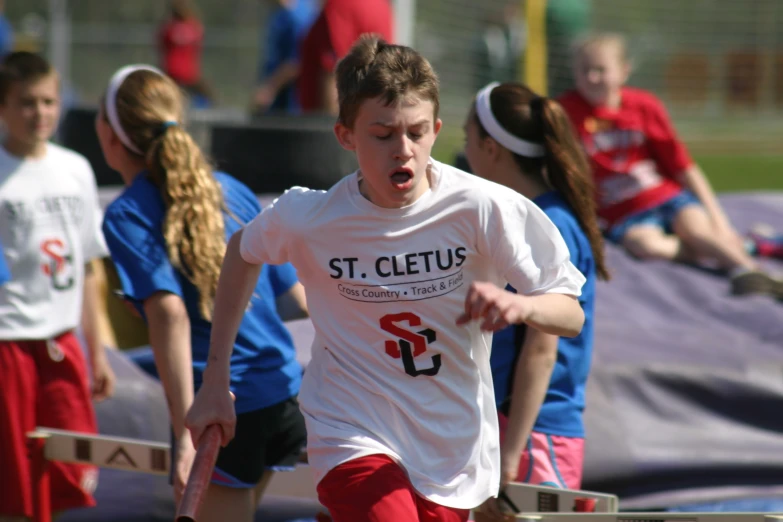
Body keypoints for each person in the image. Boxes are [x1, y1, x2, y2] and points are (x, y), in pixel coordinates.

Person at [186, 35, 586, 522]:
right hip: (350, 429)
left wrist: (524, 307)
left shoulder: (483, 207)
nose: (403, 150)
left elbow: (570, 314)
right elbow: (241, 252)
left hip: (451, 445)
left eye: (417, 133)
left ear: (437, 129)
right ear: (345, 135)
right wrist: (214, 379)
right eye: (383, 134)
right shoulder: (310, 216)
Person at [95, 64, 309, 522]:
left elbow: (169, 314)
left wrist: (183, 435)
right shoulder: (234, 190)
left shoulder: (127, 214)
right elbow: (294, 299)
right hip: (281, 393)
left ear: (111, 135)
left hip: (222, 416)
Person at [462, 81, 609, 519]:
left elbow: (541, 352)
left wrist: (509, 457)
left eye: (467, 139)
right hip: (513, 431)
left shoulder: (546, 224)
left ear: (490, 148)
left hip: (533, 436)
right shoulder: (518, 215)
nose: (463, 150)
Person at [558, 33, 782, 298]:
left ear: (623, 71)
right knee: (646, 246)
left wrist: (719, 220)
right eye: (585, 70)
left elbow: (684, 166)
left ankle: (753, 272)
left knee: (698, 231)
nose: (592, 78)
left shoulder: (643, 106)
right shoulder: (565, 111)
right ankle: (748, 247)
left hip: (665, 197)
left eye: (601, 70)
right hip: (622, 212)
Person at [0, 51, 116, 520]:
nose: (39, 113)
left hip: (62, 345)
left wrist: (99, 348)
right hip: (9, 345)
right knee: (13, 485)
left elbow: (89, 265)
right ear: (3, 107)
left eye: (48, 101)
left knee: (70, 470)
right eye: (27, 103)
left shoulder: (76, 169)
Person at [298, 0, 394, 115]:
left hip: (336, 123)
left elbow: (334, 74)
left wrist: (330, 129)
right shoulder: (380, 4)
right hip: (369, 118)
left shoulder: (340, 4)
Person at [251, 0, 319, 115]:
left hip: (291, 106)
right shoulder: (277, 15)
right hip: (274, 106)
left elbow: (297, 62)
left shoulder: (299, 17)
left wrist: (270, 89)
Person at [158, 0, 213, 107]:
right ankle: (204, 111)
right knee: (206, 95)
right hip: (188, 73)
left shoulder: (168, 29)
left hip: (172, 71)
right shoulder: (194, 27)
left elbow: (161, 45)